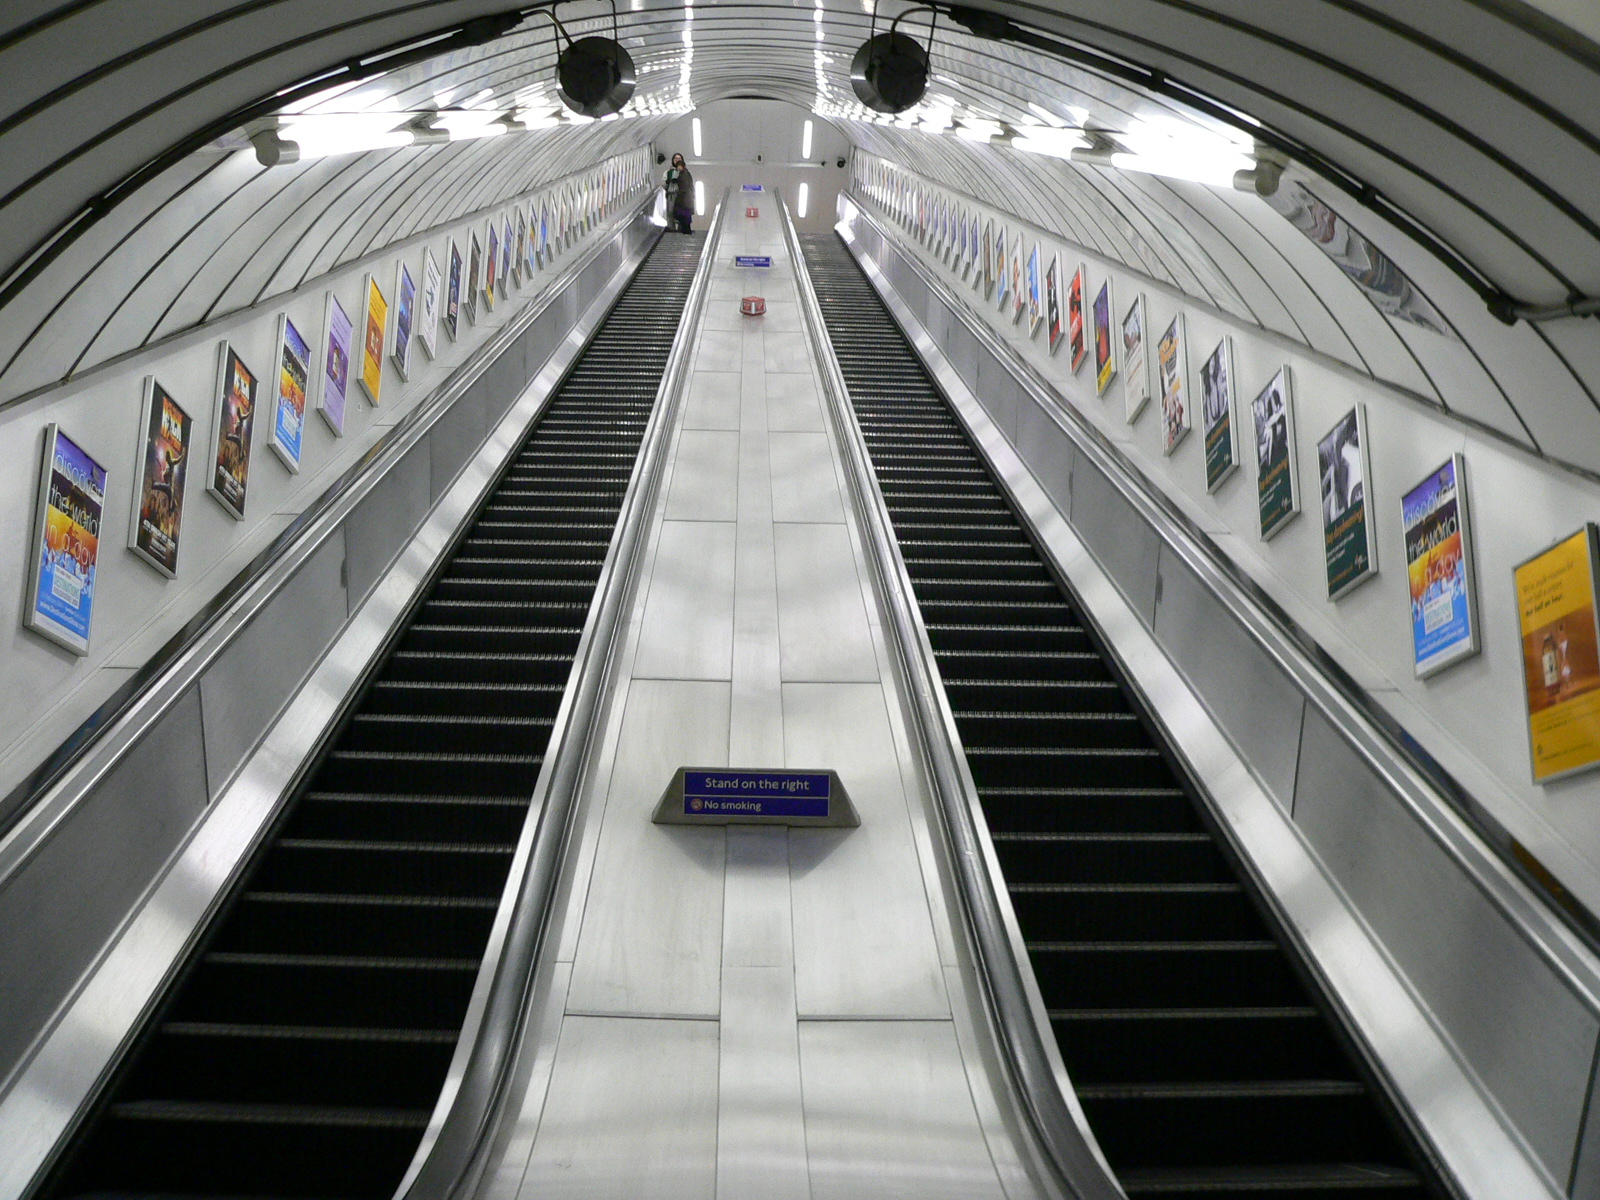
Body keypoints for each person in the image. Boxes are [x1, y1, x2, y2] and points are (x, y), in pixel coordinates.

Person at [664, 154, 694, 233]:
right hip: (672, 194)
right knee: (671, 211)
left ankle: (681, 229)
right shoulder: (669, 172)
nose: (677, 160)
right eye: (675, 158)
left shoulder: (684, 173)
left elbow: (686, 185)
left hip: (681, 195)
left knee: (680, 212)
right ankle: (672, 227)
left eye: (679, 158)